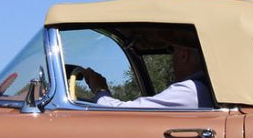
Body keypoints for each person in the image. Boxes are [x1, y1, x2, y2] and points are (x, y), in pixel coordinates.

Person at [77, 42, 212, 109]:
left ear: (183, 54)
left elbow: (123, 113)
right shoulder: (203, 88)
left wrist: (100, 90)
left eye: (172, 51)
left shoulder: (191, 90)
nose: (172, 57)